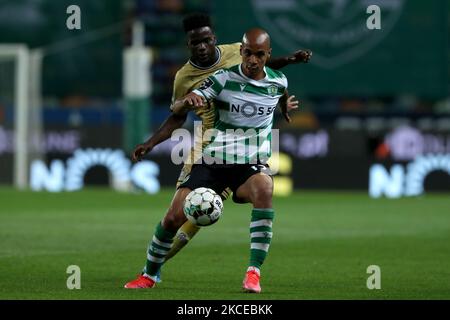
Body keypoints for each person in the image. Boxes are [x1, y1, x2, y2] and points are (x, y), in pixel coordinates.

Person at [124, 13, 311, 288]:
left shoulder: (244, 57)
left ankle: (253, 273)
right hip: (210, 145)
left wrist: (282, 102)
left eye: (205, 40)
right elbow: (177, 113)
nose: (201, 46)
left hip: (248, 158)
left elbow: (271, 75)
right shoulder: (199, 77)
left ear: (214, 39)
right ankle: (150, 271)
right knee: (179, 215)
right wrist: (182, 108)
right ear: (189, 44)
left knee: (260, 190)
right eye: (194, 43)